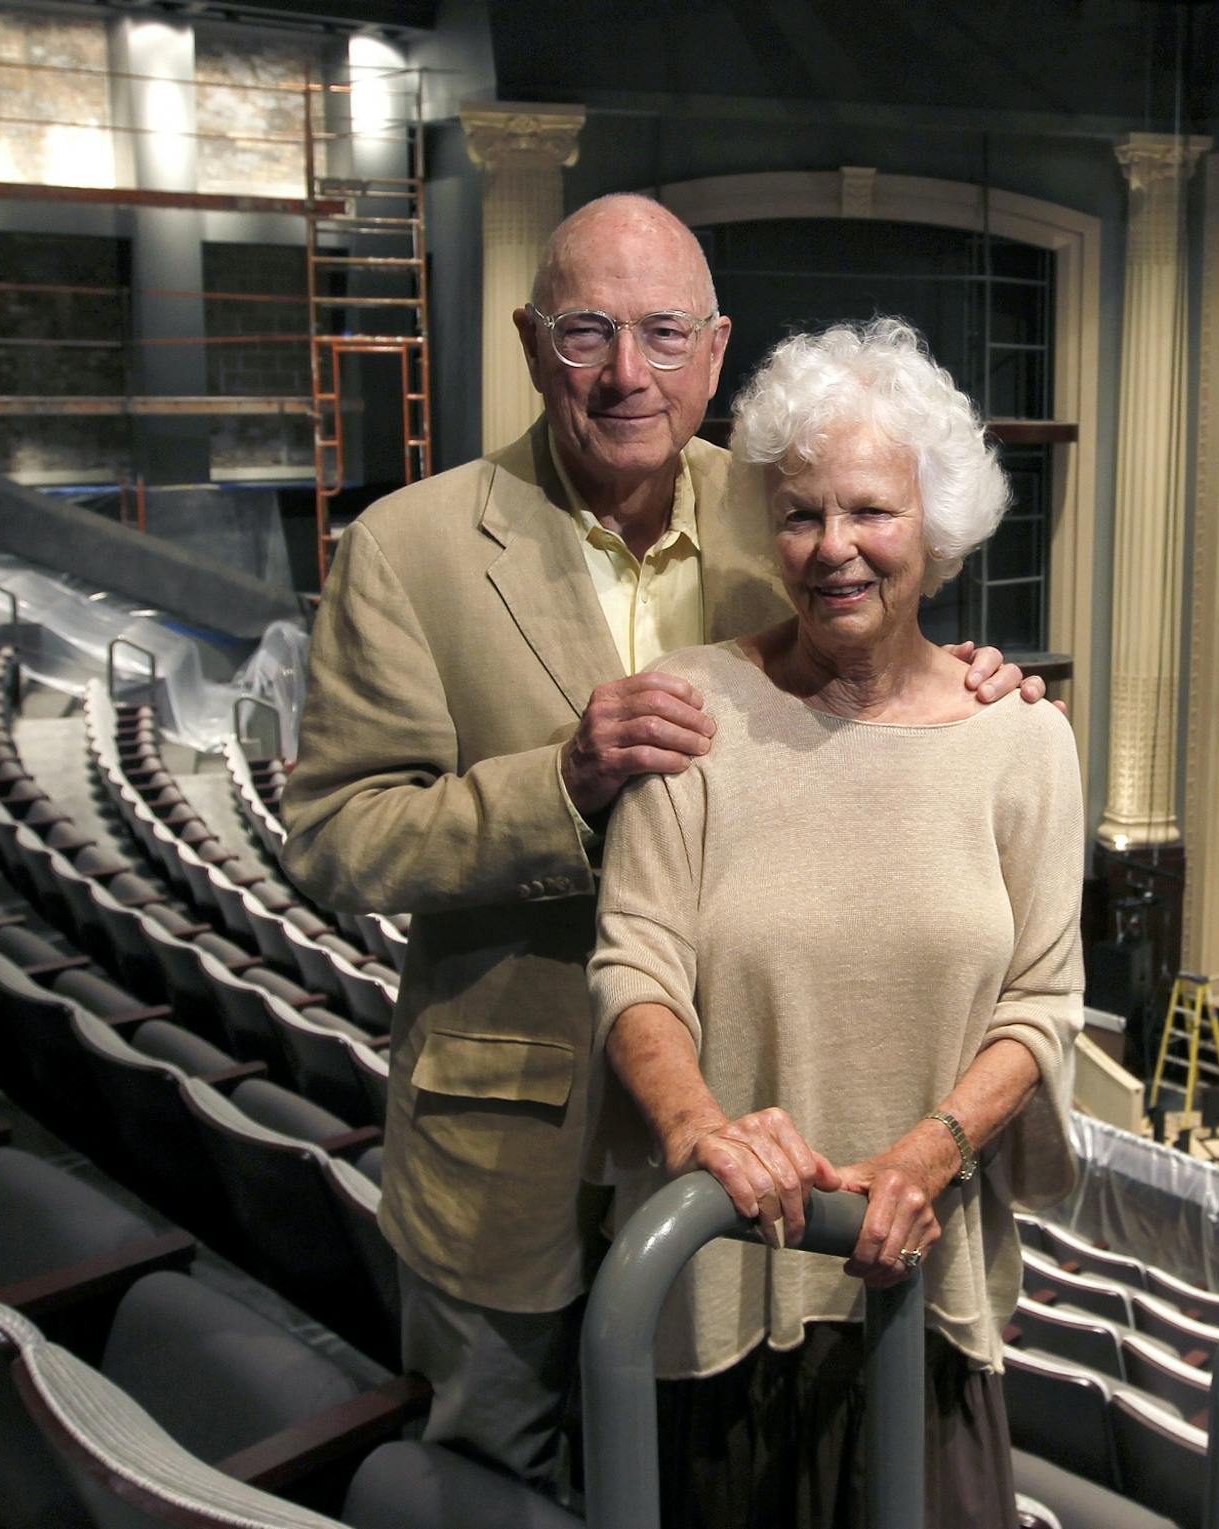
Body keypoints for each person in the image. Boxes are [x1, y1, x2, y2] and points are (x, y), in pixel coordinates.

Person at [278, 195, 1043, 1490]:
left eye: (663, 331)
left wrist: (972, 683)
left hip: (746, 1148)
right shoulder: (406, 550)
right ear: (531, 344)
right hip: (517, 1153)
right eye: (587, 332)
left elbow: (870, 671)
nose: (627, 371)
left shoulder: (779, 519)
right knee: (499, 1484)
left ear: (715, 346)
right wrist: (561, 783)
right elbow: (335, 841)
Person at [587, 318, 1083, 1529]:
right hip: (717, 1303)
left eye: (871, 510)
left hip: (927, 1307)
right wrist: (703, 1129)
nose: (834, 548)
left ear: (938, 524)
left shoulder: (1023, 741)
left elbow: (1041, 1004)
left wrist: (930, 1151)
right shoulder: (692, 710)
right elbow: (633, 960)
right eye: (802, 512)